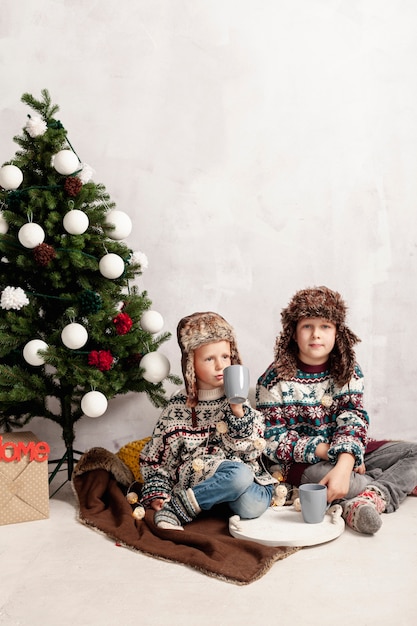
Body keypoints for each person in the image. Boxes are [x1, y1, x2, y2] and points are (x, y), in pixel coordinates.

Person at [256, 286, 417, 535]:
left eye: (325, 326)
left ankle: (368, 498)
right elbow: (271, 439)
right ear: (294, 333)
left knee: (414, 452)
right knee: (335, 479)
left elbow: (353, 420)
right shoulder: (273, 380)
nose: (316, 335)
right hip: (304, 465)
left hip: (350, 453)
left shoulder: (347, 371)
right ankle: (388, 483)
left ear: (337, 332)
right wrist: (328, 452)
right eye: (307, 326)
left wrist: (346, 461)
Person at [140, 311, 276, 530]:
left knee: (250, 503)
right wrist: (158, 492)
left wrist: (237, 412)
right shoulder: (176, 408)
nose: (220, 366)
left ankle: (192, 505)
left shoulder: (239, 404)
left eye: (225, 357)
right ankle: (183, 506)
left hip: (243, 479)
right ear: (191, 363)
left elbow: (252, 452)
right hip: (202, 478)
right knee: (238, 477)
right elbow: (155, 459)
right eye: (209, 359)